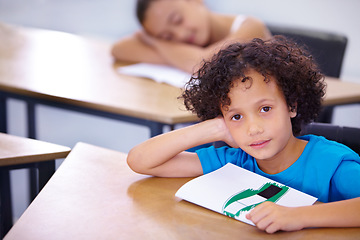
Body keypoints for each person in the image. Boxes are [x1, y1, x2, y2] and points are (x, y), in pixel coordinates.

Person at [127, 36, 360, 233]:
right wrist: (212, 128)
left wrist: (298, 216)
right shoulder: (234, 160)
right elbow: (140, 161)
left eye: (265, 109)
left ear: (292, 106)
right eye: (236, 117)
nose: (253, 128)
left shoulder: (331, 163)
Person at [111, 0, 271, 73]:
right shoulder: (187, 46)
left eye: (177, 20)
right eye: (167, 36)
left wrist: (155, 42)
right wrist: (180, 57)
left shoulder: (251, 27)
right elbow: (119, 48)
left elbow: (204, 64)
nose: (179, 35)